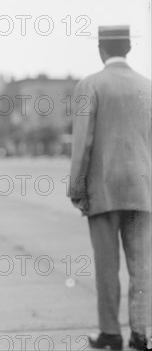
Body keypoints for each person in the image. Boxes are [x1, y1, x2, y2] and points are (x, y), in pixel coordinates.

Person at [69, 25, 151, 351]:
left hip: (103, 190)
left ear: (101, 49)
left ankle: (111, 333)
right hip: (144, 191)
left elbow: (83, 143)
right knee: (142, 268)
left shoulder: (91, 84)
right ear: (129, 48)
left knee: (107, 267)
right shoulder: (148, 87)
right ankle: (142, 334)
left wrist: (77, 188)